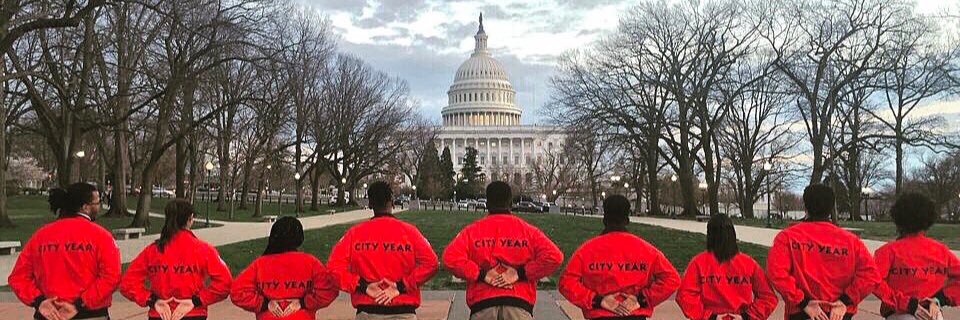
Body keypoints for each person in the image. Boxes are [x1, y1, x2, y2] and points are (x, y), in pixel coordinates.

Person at [443, 181, 564, 320]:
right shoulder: (528, 231)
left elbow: (450, 258)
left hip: (483, 305)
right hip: (519, 304)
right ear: (511, 203)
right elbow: (554, 257)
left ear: (487, 204)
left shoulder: (472, 231)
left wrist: (482, 275)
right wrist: (520, 273)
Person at [766, 183, 880, 320]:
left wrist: (803, 302)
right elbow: (871, 276)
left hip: (802, 312)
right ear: (831, 207)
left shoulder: (787, 237)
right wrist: (845, 300)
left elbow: (776, 273)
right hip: (837, 313)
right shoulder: (851, 241)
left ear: (806, 206)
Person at [327, 181, 438, 320]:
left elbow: (333, 269)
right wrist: (401, 286)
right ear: (391, 202)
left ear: (370, 204)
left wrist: (363, 286)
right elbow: (432, 264)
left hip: (367, 310)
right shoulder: (410, 232)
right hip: (403, 309)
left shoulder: (354, 234)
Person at [8, 183, 121, 320]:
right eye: (97, 202)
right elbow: (111, 277)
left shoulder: (40, 236)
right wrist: (79, 304)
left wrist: (39, 301)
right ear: (85, 207)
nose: (99, 206)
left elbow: (18, 277)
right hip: (89, 314)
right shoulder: (101, 236)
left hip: (49, 314)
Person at [559, 195, 680, 320]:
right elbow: (672, 279)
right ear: (627, 219)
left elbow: (566, 283)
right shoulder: (647, 250)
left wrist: (596, 300)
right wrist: (641, 299)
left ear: (604, 219)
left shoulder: (586, 250)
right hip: (634, 313)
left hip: (601, 313)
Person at [120, 199, 233, 320]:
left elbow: (127, 284)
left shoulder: (153, 250)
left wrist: (151, 300)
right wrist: (197, 300)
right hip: (192, 313)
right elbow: (225, 283)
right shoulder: (203, 249)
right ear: (190, 219)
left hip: (161, 314)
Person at [231, 216, 339, 319]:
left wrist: (264, 303)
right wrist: (303, 302)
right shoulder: (310, 262)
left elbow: (237, 292)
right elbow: (330, 289)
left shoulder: (260, 264)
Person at [874, 192, 959, 320]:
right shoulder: (941, 251)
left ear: (898, 220)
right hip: (931, 312)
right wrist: (940, 299)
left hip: (899, 312)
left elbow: (872, 281)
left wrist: (905, 303)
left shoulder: (888, 251)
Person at [676, 214, 778, 320]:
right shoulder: (748, 263)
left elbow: (684, 296)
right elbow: (768, 297)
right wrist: (746, 316)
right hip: (739, 315)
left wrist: (710, 316)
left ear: (710, 235)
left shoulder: (698, 263)